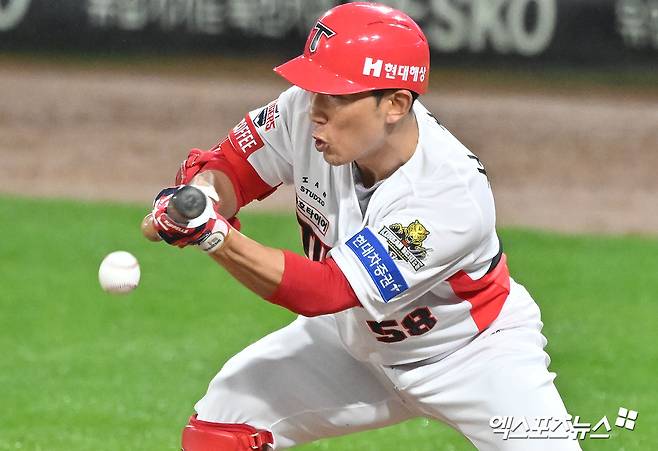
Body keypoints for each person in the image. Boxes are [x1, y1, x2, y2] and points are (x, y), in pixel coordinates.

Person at [143, 3, 581, 450]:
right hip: (355, 344)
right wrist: (196, 200)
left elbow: (323, 291)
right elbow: (231, 168)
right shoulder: (303, 112)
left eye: (336, 94)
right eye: (315, 88)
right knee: (222, 429)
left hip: (471, 357)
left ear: (394, 104)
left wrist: (213, 235)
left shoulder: (449, 192)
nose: (315, 109)